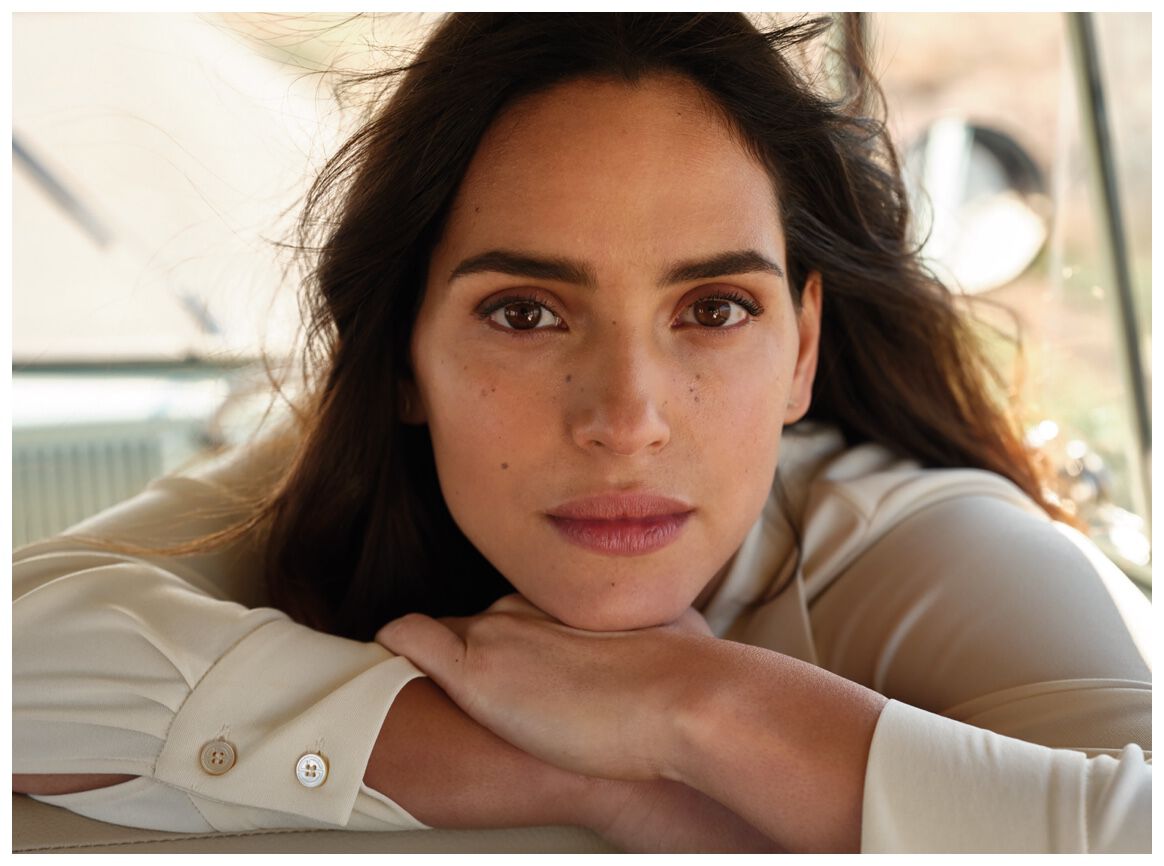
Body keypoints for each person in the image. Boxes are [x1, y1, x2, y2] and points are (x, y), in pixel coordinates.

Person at [12, 12, 1151, 853]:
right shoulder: (338, 475)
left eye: (714, 310)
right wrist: (606, 783)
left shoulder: (922, 542)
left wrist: (697, 707)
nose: (626, 420)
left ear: (801, 347)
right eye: (525, 312)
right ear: (406, 354)